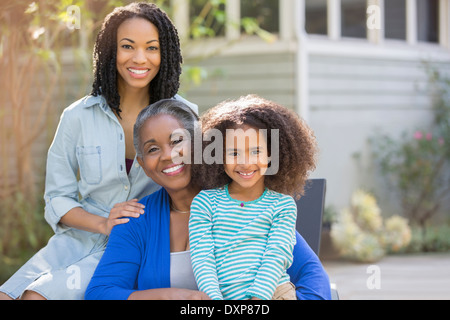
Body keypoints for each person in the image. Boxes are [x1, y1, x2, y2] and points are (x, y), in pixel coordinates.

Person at [0, 2, 197, 300]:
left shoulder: (185, 116)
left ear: (164, 52)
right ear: (110, 51)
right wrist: (102, 223)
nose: (140, 58)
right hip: (77, 237)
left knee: (36, 297)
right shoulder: (77, 116)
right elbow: (57, 197)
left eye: (151, 48)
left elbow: (198, 185)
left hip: (137, 243)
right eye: (127, 46)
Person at [85, 98, 332, 300]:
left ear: (203, 144)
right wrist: (175, 297)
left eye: (178, 141)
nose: (169, 155)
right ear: (142, 163)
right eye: (152, 149)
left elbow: (313, 277)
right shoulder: (136, 220)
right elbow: (100, 293)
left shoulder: (246, 199)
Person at [188, 94, 318, 300]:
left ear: (271, 154)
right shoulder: (205, 203)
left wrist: (258, 299)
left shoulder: (282, 206)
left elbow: (277, 256)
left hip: (273, 294)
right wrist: (214, 298)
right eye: (234, 153)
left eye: (256, 151)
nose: (245, 163)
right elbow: (202, 259)